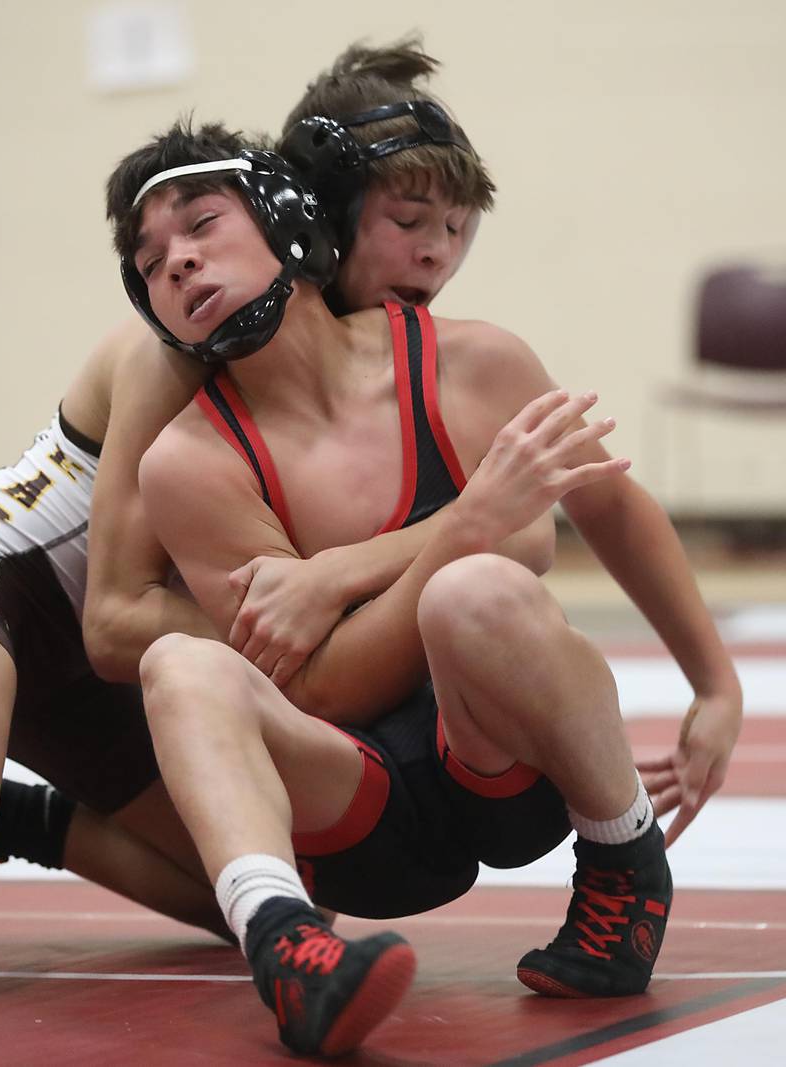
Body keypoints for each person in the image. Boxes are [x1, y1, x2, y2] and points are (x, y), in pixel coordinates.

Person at [106, 120, 707, 1057]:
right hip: (366, 821)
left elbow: (608, 506)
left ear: (287, 217)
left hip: (506, 767)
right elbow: (319, 690)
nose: (176, 264)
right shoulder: (186, 458)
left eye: (201, 226)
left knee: (476, 593)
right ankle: (284, 945)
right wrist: (463, 522)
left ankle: (626, 864)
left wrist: (717, 685)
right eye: (150, 264)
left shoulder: (469, 361)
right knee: (180, 663)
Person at [0, 37, 519, 931]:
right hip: (13, 589)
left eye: (453, 230)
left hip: (93, 659)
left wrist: (331, 587)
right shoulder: (188, 344)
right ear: (312, 218)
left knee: (263, 873)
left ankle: (18, 816)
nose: (432, 257)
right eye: (406, 223)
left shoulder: (348, 353)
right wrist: (299, 651)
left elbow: (511, 523)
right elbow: (115, 617)